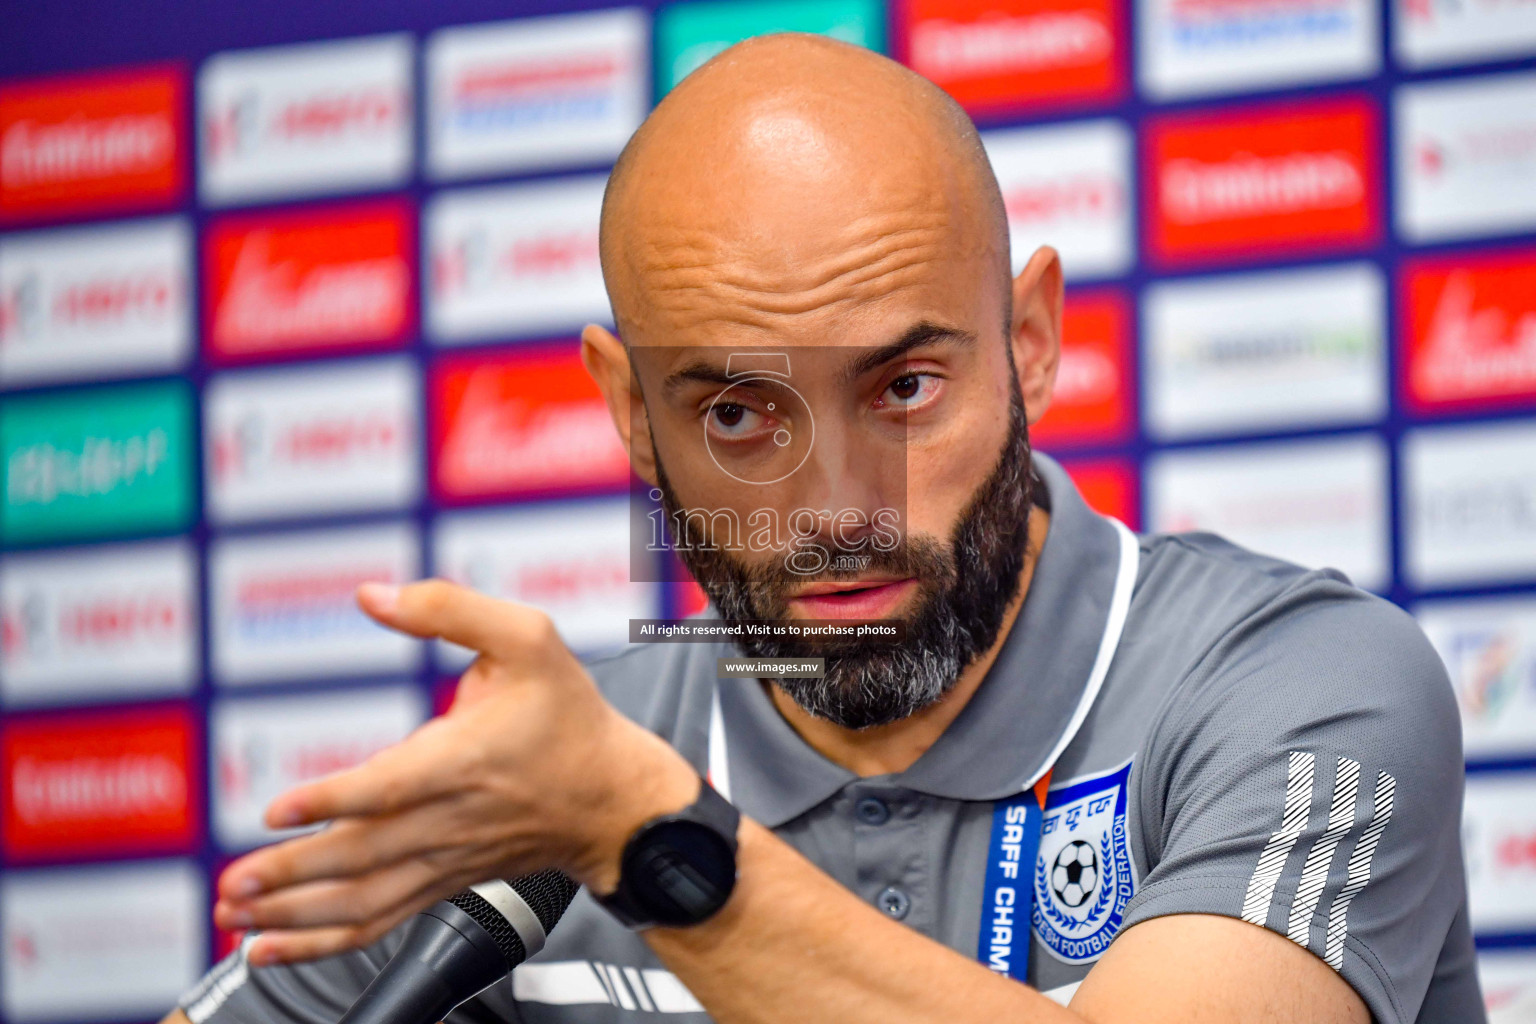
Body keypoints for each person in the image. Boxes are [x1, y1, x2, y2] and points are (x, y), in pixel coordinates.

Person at [165, 33, 1482, 1024]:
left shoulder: (1306, 685)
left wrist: (657, 850)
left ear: (1030, 343)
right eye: (737, 414)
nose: (837, 506)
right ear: (630, 410)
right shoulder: (550, 777)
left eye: (904, 388)